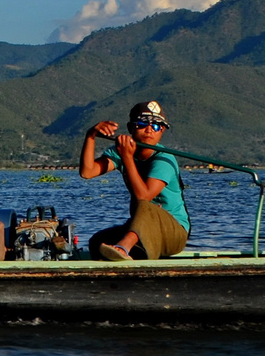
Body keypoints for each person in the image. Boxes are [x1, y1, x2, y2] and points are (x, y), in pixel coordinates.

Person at [78, 100, 190, 261]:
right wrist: (91, 136)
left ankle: (123, 247)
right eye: (143, 123)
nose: (150, 129)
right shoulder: (122, 152)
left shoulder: (164, 160)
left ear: (162, 131)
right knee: (97, 241)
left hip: (174, 232)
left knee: (145, 205)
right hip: (142, 229)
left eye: (156, 126)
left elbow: (143, 197)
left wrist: (127, 157)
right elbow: (87, 172)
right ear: (131, 128)